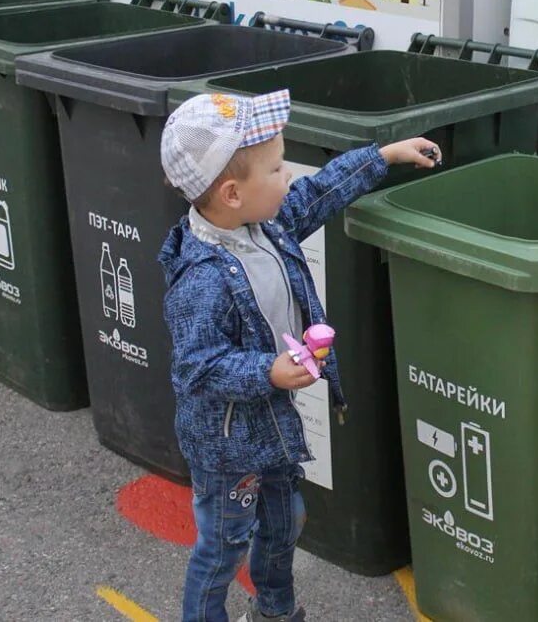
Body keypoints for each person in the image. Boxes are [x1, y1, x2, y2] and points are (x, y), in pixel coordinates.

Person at [158, 90, 440, 622]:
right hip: (227, 447)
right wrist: (266, 370)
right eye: (275, 167)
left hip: (273, 429)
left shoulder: (266, 224)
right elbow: (197, 366)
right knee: (223, 547)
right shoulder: (201, 279)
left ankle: (276, 612)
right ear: (233, 192)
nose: (287, 175)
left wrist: (384, 156)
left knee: (285, 523)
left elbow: (319, 192)